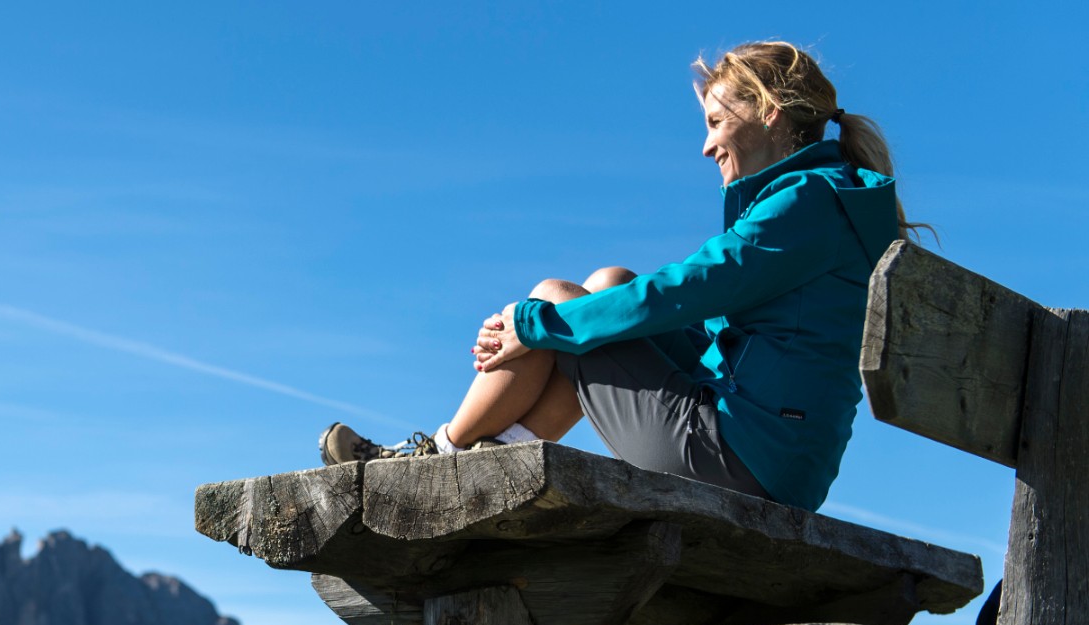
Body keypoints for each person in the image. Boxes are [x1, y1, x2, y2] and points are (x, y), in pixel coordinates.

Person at [319, 41, 923, 513]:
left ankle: (435, 458)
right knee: (608, 283)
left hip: (743, 462)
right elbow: (714, 321)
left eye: (716, 121)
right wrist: (557, 328)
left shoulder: (806, 205)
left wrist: (536, 323)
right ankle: (478, 458)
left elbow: (688, 290)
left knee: (555, 296)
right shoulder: (833, 202)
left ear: (766, 113)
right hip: (774, 455)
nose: (707, 146)